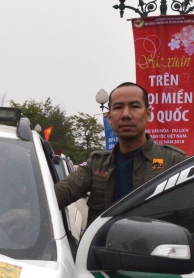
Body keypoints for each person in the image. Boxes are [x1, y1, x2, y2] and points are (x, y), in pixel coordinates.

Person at [54, 82, 186, 221]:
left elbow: (193, 220)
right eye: (118, 107)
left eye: (134, 107)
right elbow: (57, 195)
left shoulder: (174, 161)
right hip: (103, 242)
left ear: (148, 114)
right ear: (110, 118)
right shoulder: (96, 165)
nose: (126, 115)